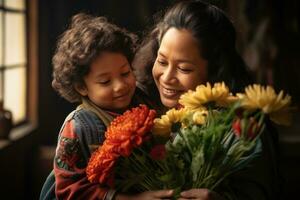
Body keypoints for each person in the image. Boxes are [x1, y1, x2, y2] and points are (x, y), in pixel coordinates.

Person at [133, 0, 282, 199]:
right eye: (161, 61)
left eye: (184, 68)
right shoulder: (141, 107)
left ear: (214, 71)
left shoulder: (243, 124)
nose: (167, 77)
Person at [39, 13, 173, 200]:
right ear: (81, 87)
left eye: (125, 73)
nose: (120, 85)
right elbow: (70, 189)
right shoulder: (78, 127)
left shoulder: (144, 101)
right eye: (105, 81)